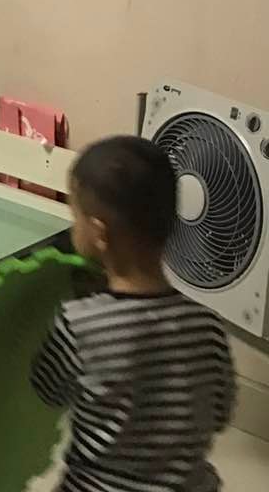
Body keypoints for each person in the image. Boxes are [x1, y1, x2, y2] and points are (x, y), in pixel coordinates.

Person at [31, 135, 235, 492]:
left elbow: (48, 391)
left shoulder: (79, 323)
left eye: (75, 216)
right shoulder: (207, 325)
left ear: (98, 233)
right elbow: (220, 414)